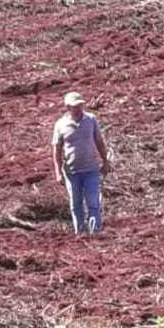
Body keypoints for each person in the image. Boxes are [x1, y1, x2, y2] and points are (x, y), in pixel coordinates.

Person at [51, 91, 111, 234]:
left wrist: (105, 161)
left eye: (80, 105)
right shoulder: (60, 125)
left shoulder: (91, 120)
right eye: (74, 106)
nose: (78, 108)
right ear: (68, 108)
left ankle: (96, 232)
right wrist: (58, 173)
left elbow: (99, 142)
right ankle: (80, 234)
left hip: (91, 169)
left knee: (93, 203)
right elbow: (56, 150)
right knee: (76, 204)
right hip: (72, 172)